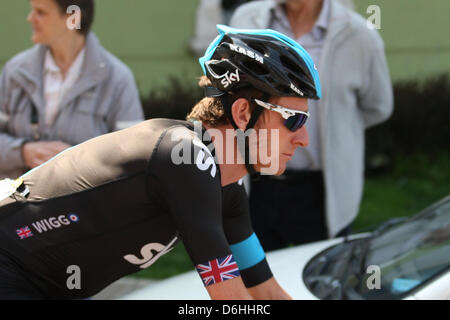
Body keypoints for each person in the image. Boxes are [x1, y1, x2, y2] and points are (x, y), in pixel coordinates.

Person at [0, 24, 321, 300]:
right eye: (293, 121)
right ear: (241, 113)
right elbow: (231, 299)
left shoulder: (227, 191)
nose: (304, 138)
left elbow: (266, 293)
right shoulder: (185, 159)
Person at [230, 0, 394, 250]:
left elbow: (378, 106)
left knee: (321, 282)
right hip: (255, 183)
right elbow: (227, 90)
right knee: (254, 282)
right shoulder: (246, 20)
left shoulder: (359, 35)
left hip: (321, 191)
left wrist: (339, 129)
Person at [0, 0, 144, 179]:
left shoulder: (117, 79)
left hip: (89, 206)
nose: (30, 18)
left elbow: (135, 158)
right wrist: (23, 152)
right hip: (18, 204)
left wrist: (79, 160)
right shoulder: (14, 72)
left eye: (41, 12)